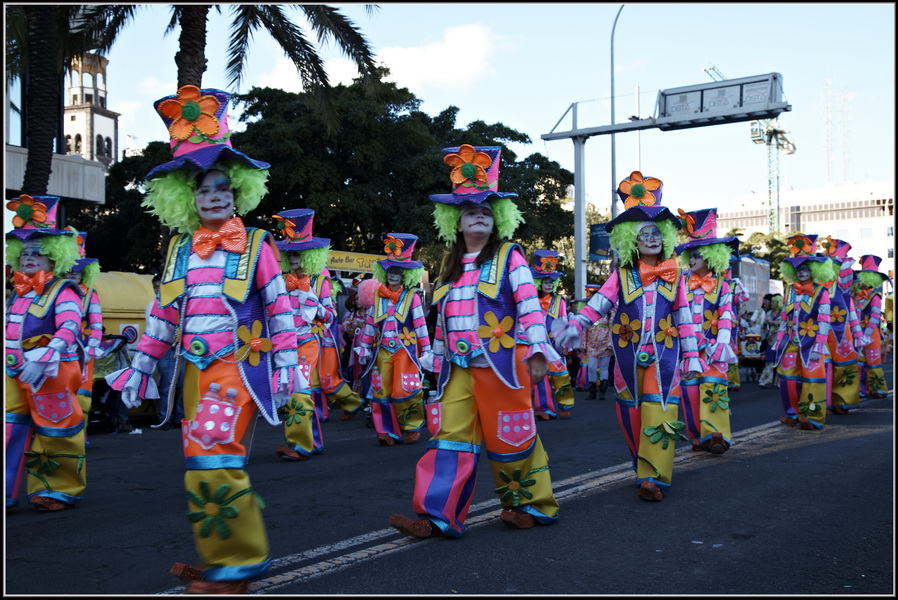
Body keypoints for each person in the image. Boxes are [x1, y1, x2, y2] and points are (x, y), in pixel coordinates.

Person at [106, 84, 301, 594]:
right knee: (202, 459)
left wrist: (286, 365)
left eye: (222, 188)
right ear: (188, 198)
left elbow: (279, 306)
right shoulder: (178, 249)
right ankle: (231, 549)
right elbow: (164, 314)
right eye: (202, 189)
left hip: (236, 367)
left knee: (212, 453)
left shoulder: (257, 243)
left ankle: (236, 562)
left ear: (238, 193)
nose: (213, 196)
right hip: (193, 373)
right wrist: (141, 365)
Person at [389, 143, 560, 538]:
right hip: (458, 371)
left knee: (511, 438)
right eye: (470, 212)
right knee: (449, 439)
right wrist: (433, 365)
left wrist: (536, 349)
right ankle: (437, 516)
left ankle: (531, 506)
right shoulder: (448, 267)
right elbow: (441, 324)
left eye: (485, 212)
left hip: (502, 366)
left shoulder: (510, 257)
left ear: (496, 220)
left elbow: (530, 305)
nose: (478, 217)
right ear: (457, 222)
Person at [554, 170, 704, 502]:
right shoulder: (620, 275)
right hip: (625, 356)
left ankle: (654, 477)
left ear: (665, 237)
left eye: (655, 233)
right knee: (631, 412)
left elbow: (684, 317)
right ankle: (642, 466)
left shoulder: (674, 275)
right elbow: (597, 304)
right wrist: (574, 325)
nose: (650, 239)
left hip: (665, 356)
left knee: (660, 408)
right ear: (631, 240)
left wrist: (692, 356)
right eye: (643, 234)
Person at [5, 195, 86, 512]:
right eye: (25, 252)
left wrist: (49, 351)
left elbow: (70, 327)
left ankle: (56, 490)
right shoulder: (18, 290)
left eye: (37, 253)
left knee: (56, 430)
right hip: (14, 371)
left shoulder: (63, 290)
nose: (29, 258)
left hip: (51, 373)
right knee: (9, 428)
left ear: (54, 257)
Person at [356, 233, 433, 445]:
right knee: (380, 390)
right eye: (390, 270)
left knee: (405, 388)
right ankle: (386, 431)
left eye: (398, 271)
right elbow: (371, 324)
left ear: (405, 275)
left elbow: (420, 326)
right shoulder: (377, 296)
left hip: (405, 350)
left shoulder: (413, 297)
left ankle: (410, 427)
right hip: (382, 351)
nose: (393, 275)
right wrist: (363, 347)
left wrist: (426, 351)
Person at [269, 208, 333, 461]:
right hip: (284, 344)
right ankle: (311, 441)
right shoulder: (278, 280)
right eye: (289, 253)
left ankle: (300, 446)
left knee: (299, 392)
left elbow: (329, 317)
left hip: (307, 343)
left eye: (299, 253)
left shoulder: (320, 279)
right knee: (289, 392)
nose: (293, 257)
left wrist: (314, 304)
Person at [674, 208, 739, 454]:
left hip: (713, 348)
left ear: (711, 257)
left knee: (713, 389)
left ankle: (716, 436)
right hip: (688, 348)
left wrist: (721, 343)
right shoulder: (681, 283)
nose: (691, 260)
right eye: (690, 255)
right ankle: (696, 436)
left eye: (697, 256)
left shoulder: (723, 285)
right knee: (690, 392)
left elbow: (726, 314)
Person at [773, 234, 833, 431]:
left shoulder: (821, 292)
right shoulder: (789, 290)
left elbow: (824, 320)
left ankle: (812, 416)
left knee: (813, 379)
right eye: (799, 269)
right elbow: (784, 317)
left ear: (814, 271)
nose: (802, 272)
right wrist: (779, 340)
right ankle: (792, 413)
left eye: (806, 268)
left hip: (812, 342)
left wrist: (819, 344)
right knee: (788, 378)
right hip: (791, 340)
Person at [62, 231, 104, 443]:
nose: (71, 276)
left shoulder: (90, 295)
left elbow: (97, 324)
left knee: (81, 395)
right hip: (58, 351)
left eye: (76, 273)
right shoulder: (54, 292)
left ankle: (81, 433)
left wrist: (90, 348)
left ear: (83, 274)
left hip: (82, 351)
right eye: (68, 271)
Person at [819, 237, 866, 413]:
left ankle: (842, 399)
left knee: (843, 365)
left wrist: (857, 333)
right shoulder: (818, 287)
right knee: (824, 364)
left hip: (842, 329)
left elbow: (850, 309)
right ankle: (823, 400)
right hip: (821, 327)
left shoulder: (844, 290)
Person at [528, 249, 575, 419]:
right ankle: (544, 409)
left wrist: (566, 346)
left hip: (555, 344)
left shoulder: (558, 301)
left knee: (560, 375)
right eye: (545, 282)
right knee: (540, 377)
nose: (548, 285)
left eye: (551, 282)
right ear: (538, 282)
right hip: (536, 343)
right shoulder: (530, 299)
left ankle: (565, 405)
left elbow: (564, 323)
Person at [146, 275, 185, 430]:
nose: (158, 289)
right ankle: (165, 418)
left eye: (160, 286)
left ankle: (179, 417)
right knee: (168, 386)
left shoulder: (179, 304)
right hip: (166, 349)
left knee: (181, 385)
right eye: (155, 287)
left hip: (181, 348)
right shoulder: (152, 305)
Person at [853, 255, 890, 399]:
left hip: (870, 333)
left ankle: (878, 388)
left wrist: (866, 334)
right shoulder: (857, 296)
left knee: (873, 361)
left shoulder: (875, 297)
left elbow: (875, 317)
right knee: (859, 363)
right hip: (857, 332)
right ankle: (861, 389)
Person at [758, 293, 783, 388]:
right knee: (769, 361)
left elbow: (786, 323)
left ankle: (780, 382)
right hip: (770, 340)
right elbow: (763, 326)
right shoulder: (768, 313)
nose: (771, 303)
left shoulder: (783, 313)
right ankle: (765, 381)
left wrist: (774, 322)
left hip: (781, 341)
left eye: (774, 302)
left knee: (780, 361)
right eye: (771, 302)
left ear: (779, 303)